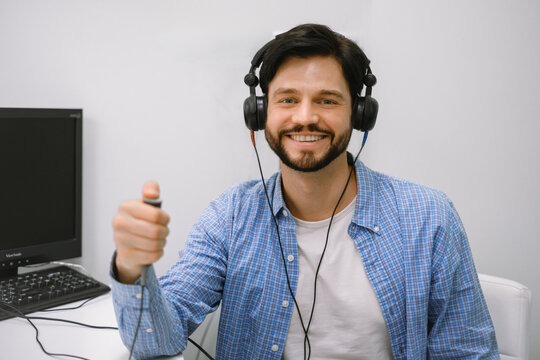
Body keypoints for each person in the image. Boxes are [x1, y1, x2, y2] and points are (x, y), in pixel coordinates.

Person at [111, 23, 499, 359]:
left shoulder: (429, 216)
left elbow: (467, 353)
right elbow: (154, 343)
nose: (305, 117)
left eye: (327, 101)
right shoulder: (230, 216)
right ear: (261, 113)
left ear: (359, 114)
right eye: (288, 100)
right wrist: (131, 268)